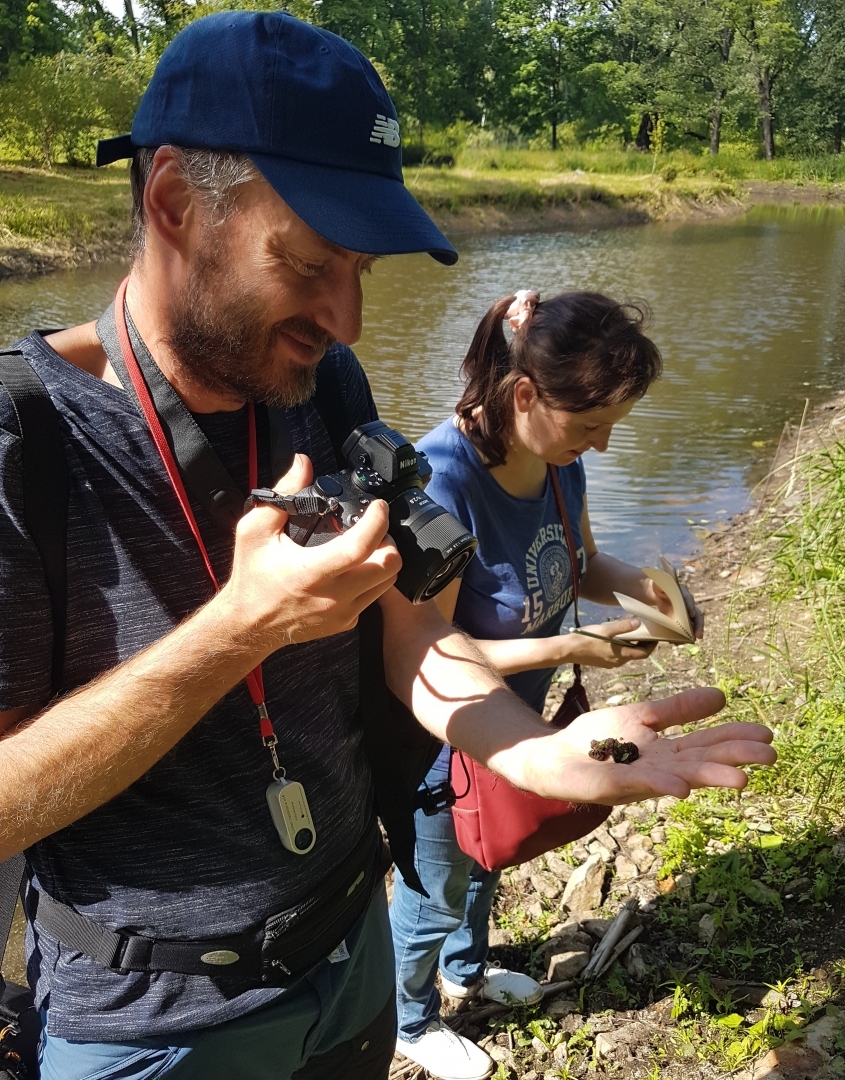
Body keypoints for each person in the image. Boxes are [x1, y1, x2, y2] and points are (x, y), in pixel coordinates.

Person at [0, 14, 776, 1080]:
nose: (350, 319)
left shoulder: (324, 388)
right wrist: (233, 632)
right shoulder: (24, 440)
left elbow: (413, 633)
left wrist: (522, 749)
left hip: (346, 947)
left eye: (361, 267)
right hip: (149, 1024)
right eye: (311, 264)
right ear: (175, 204)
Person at [390, 289, 705, 1080]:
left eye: (612, 428)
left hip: (522, 726)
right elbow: (432, 648)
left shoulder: (559, 464)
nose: (600, 445)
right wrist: (573, 643)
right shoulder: (442, 482)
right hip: (447, 732)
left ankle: (467, 973)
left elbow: (582, 559)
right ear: (524, 394)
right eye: (590, 425)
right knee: (433, 885)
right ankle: (410, 1019)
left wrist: (647, 591)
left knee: (486, 858)